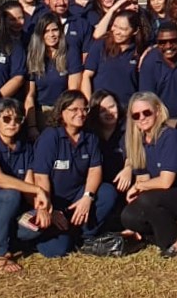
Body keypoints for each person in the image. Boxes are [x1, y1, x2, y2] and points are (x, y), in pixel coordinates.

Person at [31, 90, 120, 256]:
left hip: (78, 198)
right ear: (61, 112)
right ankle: (54, 235)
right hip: (54, 202)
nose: (81, 113)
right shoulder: (50, 137)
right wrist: (51, 208)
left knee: (107, 192)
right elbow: (40, 176)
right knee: (56, 251)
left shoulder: (90, 137)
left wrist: (87, 197)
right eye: (74, 109)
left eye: (84, 109)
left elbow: (95, 169)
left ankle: (86, 236)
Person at [121, 92, 177, 257]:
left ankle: (175, 239)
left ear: (158, 111)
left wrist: (138, 187)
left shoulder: (169, 136)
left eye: (147, 112)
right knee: (128, 216)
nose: (142, 118)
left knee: (148, 199)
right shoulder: (139, 142)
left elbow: (165, 182)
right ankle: (157, 234)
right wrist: (139, 192)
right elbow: (144, 177)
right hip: (165, 196)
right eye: (136, 115)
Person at [0, 98, 48, 272]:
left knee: (37, 223)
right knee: (11, 194)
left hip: (13, 214)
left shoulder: (26, 148)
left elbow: (28, 184)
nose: (12, 123)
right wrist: (38, 190)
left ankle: (5, 239)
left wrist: (41, 209)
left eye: (17, 119)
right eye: (6, 119)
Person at [25, 11, 83, 132]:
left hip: (63, 111)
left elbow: (73, 91)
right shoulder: (33, 56)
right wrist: (32, 126)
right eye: (46, 31)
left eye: (55, 30)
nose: (51, 35)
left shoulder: (70, 52)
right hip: (41, 111)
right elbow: (30, 95)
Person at [82, 10, 143, 106]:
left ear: (135, 31)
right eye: (115, 26)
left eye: (123, 29)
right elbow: (87, 75)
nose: (117, 32)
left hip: (127, 108)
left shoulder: (139, 51)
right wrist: (89, 104)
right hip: (101, 107)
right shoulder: (100, 44)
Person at [138, 23, 177, 119]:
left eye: (173, 41)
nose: (168, 46)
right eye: (162, 42)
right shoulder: (149, 62)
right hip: (160, 121)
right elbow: (146, 99)